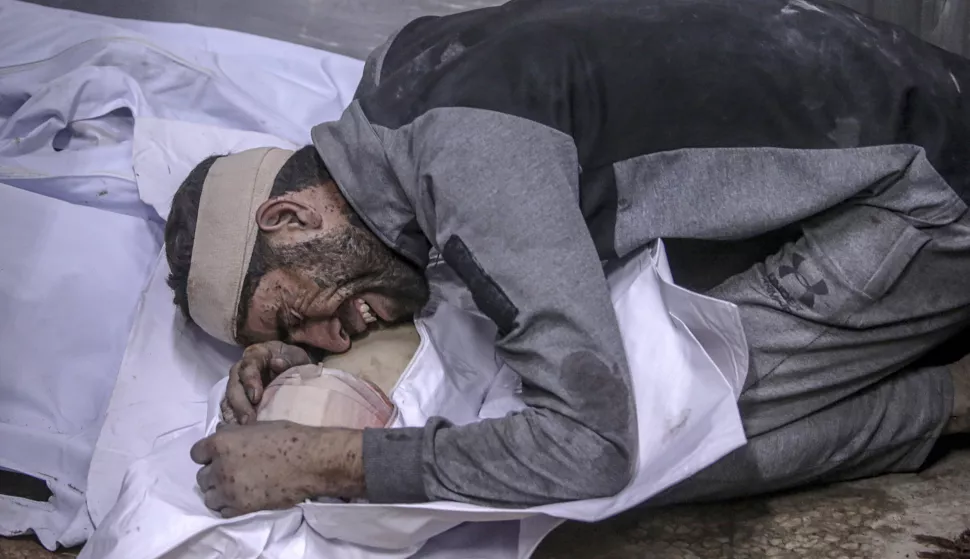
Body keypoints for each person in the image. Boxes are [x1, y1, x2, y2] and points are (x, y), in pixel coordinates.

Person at [163, 0, 970, 517]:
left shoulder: (472, 160)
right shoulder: (393, 84)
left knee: (666, 440)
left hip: (933, 193)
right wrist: (289, 344)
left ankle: (956, 397)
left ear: (291, 215)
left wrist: (331, 462)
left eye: (294, 307)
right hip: (902, 110)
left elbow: (593, 447)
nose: (329, 339)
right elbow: (472, 249)